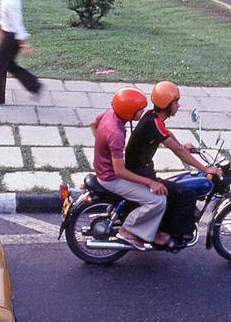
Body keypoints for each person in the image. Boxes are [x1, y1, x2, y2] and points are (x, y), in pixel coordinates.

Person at [125, 80, 221, 247]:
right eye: (175, 102)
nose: (178, 105)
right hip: (140, 172)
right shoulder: (154, 122)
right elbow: (177, 151)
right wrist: (206, 169)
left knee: (175, 190)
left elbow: (168, 136)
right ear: (166, 104)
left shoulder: (152, 117)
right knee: (187, 194)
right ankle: (170, 235)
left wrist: (182, 146)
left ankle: (161, 228)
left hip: (141, 168)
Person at [89, 87, 167, 250]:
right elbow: (120, 172)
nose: (142, 113)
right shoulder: (116, 132)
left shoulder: (110, 113)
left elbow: (93, 123)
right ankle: (127, 231)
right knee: (158, 200)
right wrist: (150, 183)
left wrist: (104, 148)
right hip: (111, 178)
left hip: (102, 169)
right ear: (128, 112)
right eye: (139, 110)